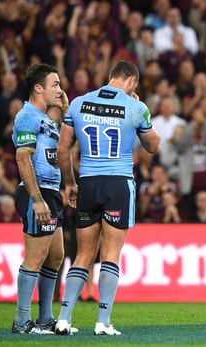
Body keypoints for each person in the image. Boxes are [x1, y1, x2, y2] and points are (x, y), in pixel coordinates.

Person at [55, 61, 160, 336]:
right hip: (118, 183)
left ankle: (64, 318)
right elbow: (153, 146)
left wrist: (69, 183)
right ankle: (102, 322)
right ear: (132, 82)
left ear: (111, 77)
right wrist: (143, 110)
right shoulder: (136, 107)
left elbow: (62, 149)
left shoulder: (79, 103)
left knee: (83, 255)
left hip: (88, 183)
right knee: (110, 254)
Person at [11, 63, 74, 334]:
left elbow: (64, 150)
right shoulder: (27, 115)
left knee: (56, 256)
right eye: (55, 85)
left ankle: (46, 318)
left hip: (51, 192)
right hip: (37, 192)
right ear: (38, 88)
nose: (59, 90)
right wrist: (36, 199)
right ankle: (22, 321)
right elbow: (22, 157)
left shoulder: (47, 119)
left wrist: (67, 111)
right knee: (34, 258)